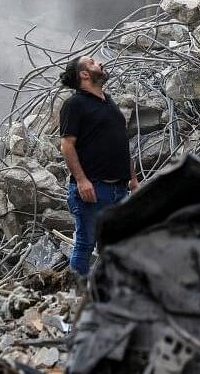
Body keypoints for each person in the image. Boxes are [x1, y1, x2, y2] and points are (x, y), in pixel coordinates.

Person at [59, 55, 139, 277]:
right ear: (84, 74)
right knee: (85, 244)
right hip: (93, 189)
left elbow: (121, 142)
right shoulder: (74, 104)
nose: (100, 63)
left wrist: (133, 180)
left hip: (119, 189)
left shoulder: (108, 102)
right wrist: (82, 181)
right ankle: (73, 298)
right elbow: (67, 145)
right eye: (93, 62)